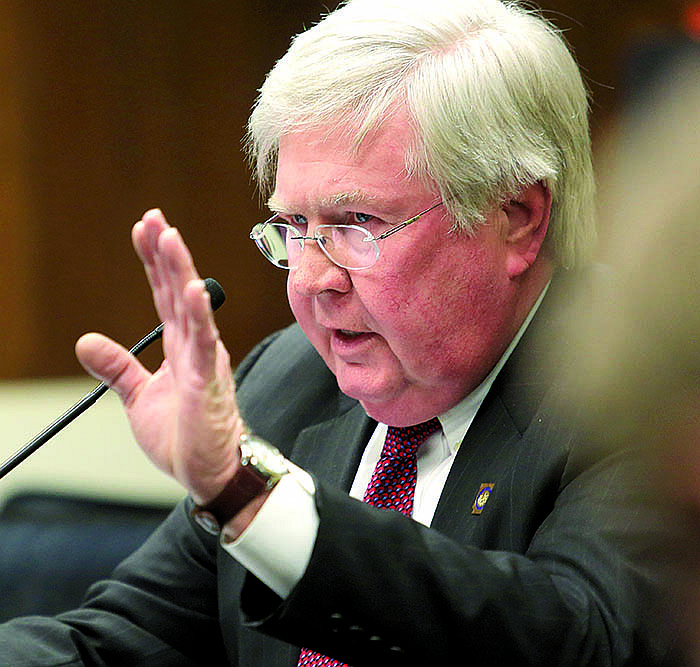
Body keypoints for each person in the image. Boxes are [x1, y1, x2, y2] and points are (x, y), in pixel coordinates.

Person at [0, 0, 679, 664]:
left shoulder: (643, 399)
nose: (310, 280)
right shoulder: (288, 379)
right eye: (294, 228)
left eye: (356, 222)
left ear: (519, 217)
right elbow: (119, 641)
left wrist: (250, 498)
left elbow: (578, 639)